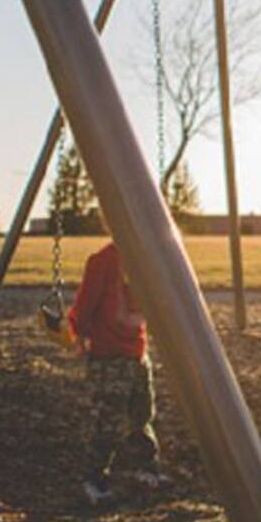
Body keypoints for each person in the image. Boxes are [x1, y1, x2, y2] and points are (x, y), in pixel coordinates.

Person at [67, 212, 169, 504]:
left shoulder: (145, 261)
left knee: (142, 414)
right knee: (108, 421)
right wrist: (79, 331)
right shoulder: (102, 262)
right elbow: (84, 307)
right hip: (109, 355)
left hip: (137, 353)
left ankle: (144, 469)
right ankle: (94, 478)